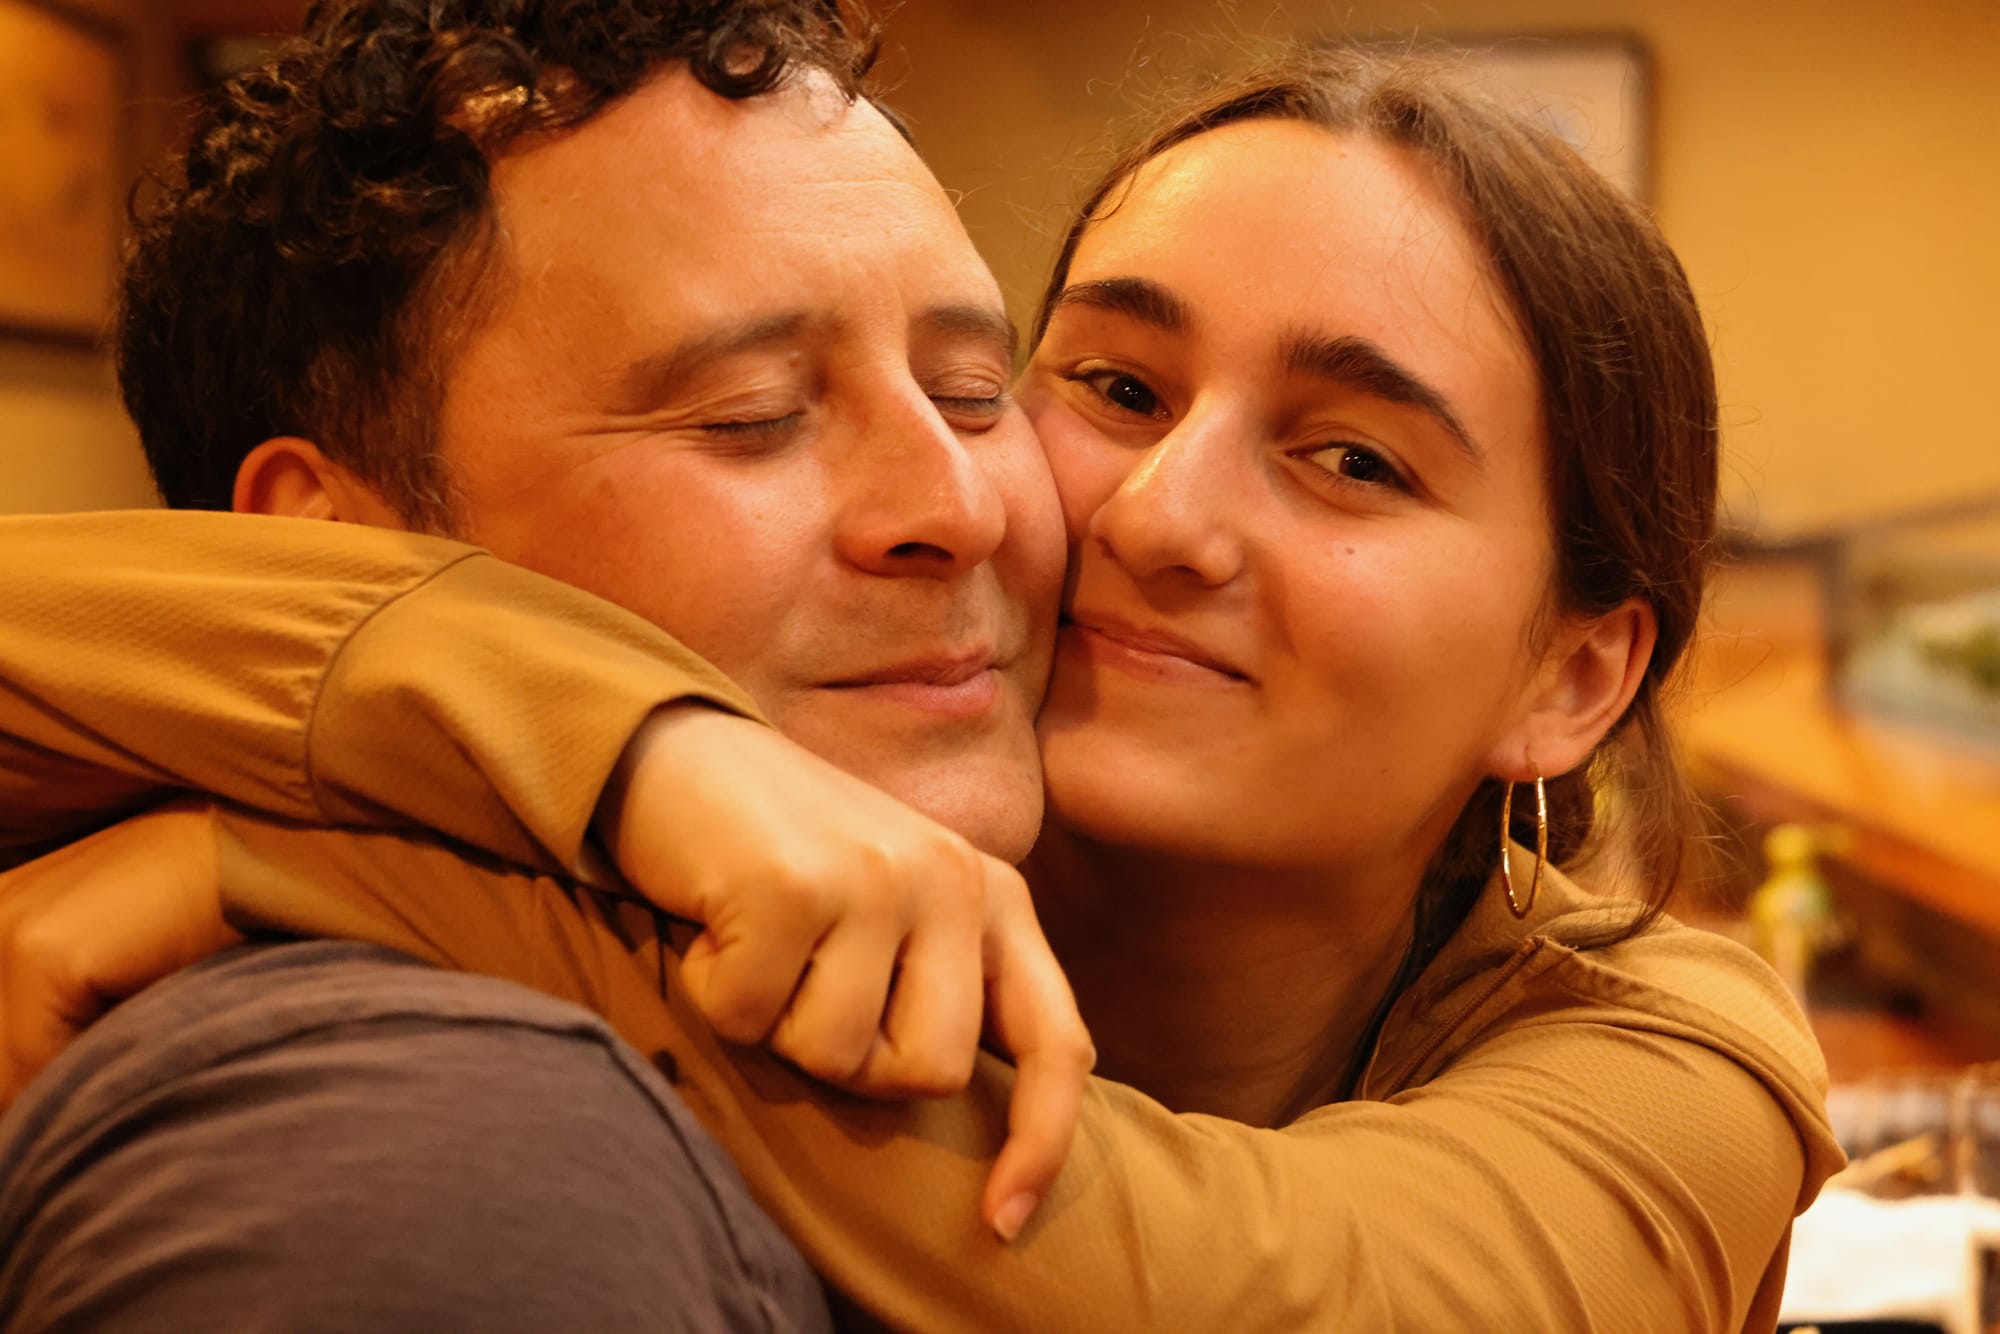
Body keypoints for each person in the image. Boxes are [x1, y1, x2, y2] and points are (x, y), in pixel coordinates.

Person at [0, 20, 1841, 1334]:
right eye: (1108, 388)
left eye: (1356, 459)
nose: (1136, 513)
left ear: (1575, 674)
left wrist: (317, 859)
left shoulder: (1662, 1045)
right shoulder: (396, 1141)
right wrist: (652, 756)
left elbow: (1292, 1283)